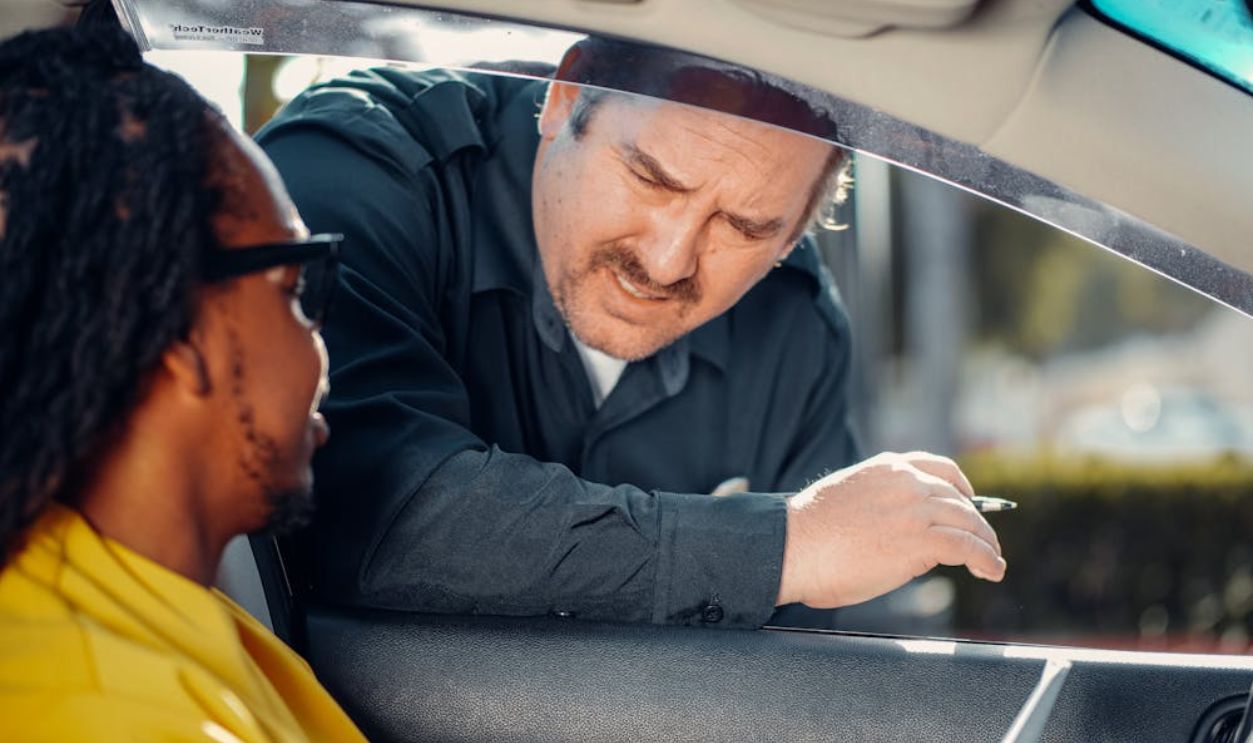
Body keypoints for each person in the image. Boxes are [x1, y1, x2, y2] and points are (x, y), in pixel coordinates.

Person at [258, 38, 1006, 629]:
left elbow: (787, 680)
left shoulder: (796, 331)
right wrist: (779, 543)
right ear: (565, 96)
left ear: (795, 233)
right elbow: (377, 515)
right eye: (651, 177)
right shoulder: (356, 171)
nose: (667, 257)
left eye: (744, 227)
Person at [0, 26, 366, 741]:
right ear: (181, 332)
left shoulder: (125, 590)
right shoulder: (115, 716)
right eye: (293, 290)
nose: (318, 346)